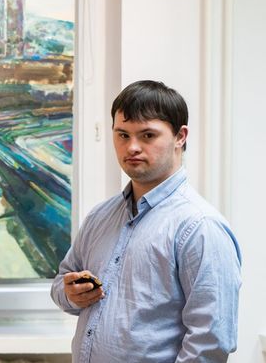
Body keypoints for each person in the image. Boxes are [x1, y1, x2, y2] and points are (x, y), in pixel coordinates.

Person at [51, 80, 241, 362]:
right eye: (122, 135)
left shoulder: (201, 227)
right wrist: (70, 294)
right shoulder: (99, 217)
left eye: (148, 135)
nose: (132, 147)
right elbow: (61, 283)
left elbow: (209, 342)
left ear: (180, 136)